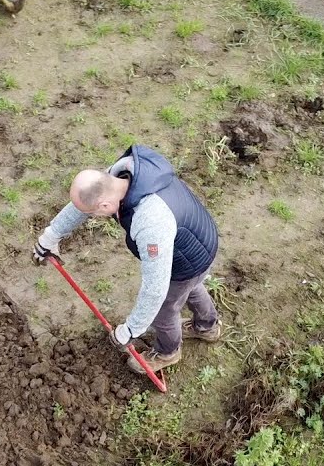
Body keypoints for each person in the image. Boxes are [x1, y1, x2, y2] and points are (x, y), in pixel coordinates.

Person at [33, 144, 221, 375]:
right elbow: (83, 202)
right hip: (200, 235)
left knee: (165, 306)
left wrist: (132, 329)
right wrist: (52, 235)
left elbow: (155, 290)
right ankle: (207, 327)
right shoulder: (121, 174)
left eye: (94, 214)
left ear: (104, 206)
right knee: (190, 286)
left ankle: (168, 351)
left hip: (187, 255)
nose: (93, 217)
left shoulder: (150, 221)